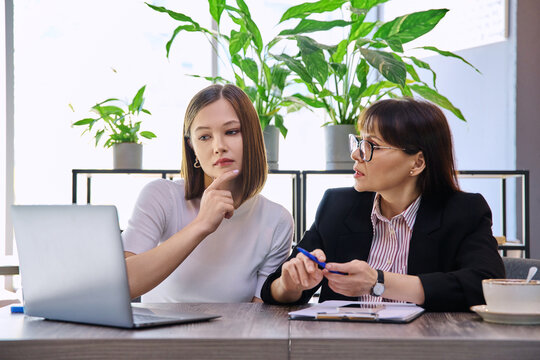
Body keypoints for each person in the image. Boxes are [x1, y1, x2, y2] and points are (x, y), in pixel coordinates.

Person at [261, 98, 505, 311]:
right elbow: (276, 289)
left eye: (372, 146)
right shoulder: (337, 206)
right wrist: (289, 284)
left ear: (417, 163)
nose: (356, 154)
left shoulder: (463, 212)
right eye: (358, 142)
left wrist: (378, 282)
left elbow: (485, 286)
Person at [122, 84, 294, 303]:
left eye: (231, 132)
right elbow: (125, 285)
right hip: (159, 337)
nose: (219, 146)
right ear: (191, 146)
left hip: (232, 336)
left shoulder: (276, 220)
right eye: (204, 137)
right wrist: (201, 225)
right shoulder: (160, 196)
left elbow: (259, 317)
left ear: (252, 137)